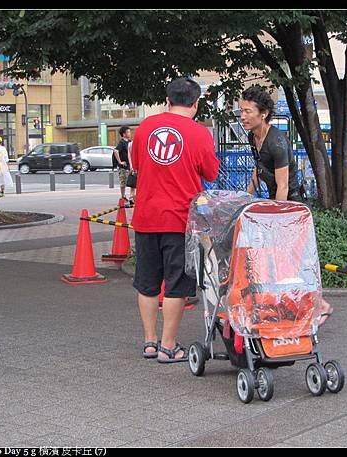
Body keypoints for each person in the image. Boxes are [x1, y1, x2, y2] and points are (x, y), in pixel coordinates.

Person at [130, 77, 220, 362]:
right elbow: (211, 173)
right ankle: (169, 347)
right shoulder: (199, 133)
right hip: (180, 220)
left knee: (147, 282)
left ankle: (149, 342)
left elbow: (137, 165)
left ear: (167, 100)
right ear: (195, 103)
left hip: (145, 216)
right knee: (176, 284)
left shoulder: (144, 129)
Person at [240, 86, 333, 327]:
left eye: (248, 111)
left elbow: (282, 185)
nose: (243, 116)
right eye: (241, 111)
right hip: (276, 204)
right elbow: (258, 171)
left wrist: (276, 220)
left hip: (291, 206)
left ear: (264, 114)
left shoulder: (277, 142)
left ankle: (321, 305)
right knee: (281, 260)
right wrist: (244, 197)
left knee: (294, 260)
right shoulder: (253, 137)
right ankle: (289, 304)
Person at [112, 125, 133, 201]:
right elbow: (116, 151)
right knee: (123, 182)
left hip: (130, 165)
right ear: (124, 134)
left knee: (132, 181)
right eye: (128, 132)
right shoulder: (122, 142)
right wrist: (120, 161)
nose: (130, 133)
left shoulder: (130, 142)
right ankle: (123, 196)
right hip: (123, 167)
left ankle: (131, 196)